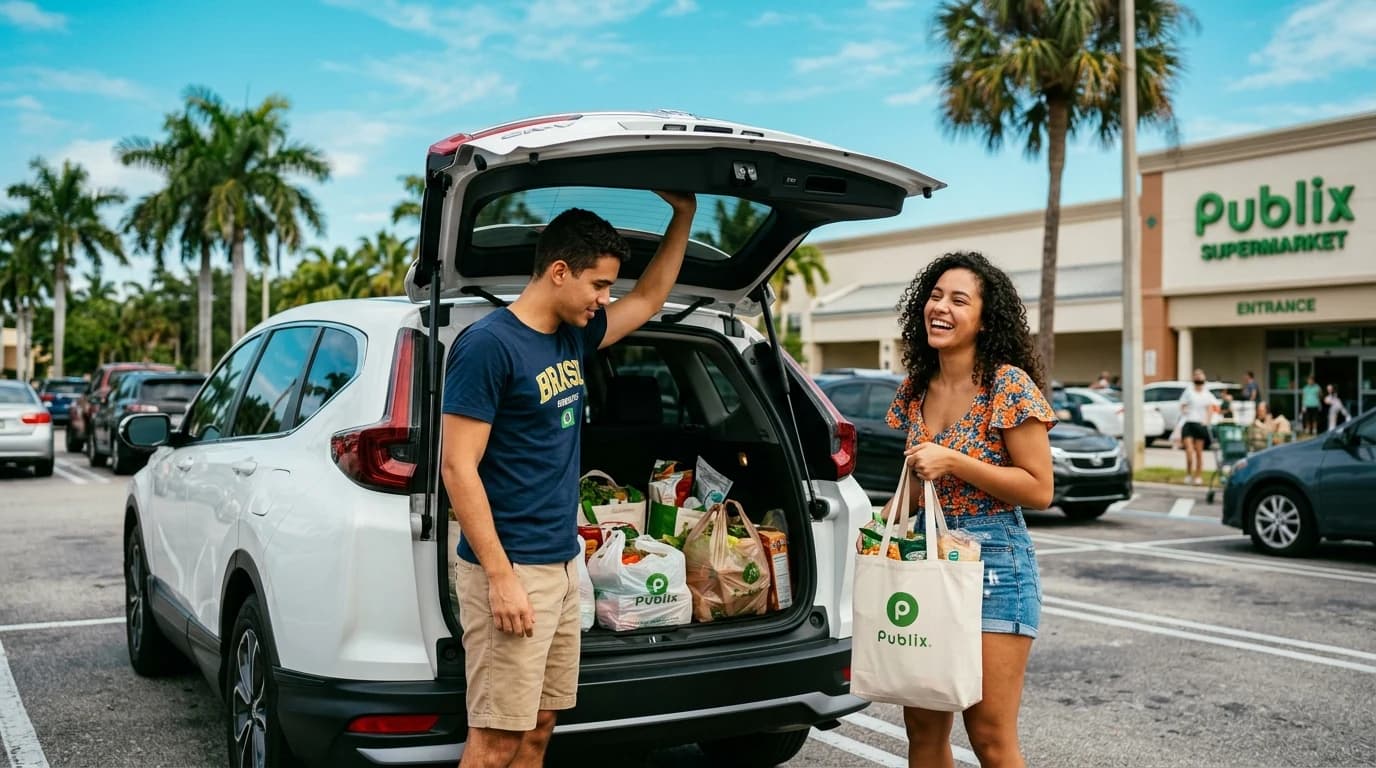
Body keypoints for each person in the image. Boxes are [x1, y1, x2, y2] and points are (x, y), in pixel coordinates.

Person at [440, 193, 696, 768]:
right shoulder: (489, 347)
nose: (606, 299)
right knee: (496, 738)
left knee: (539, 728)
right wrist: (502, 579)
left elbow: (651, 297)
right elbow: (457, 467)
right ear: (559, 272)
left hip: (559, 563)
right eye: (599, 285)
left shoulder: (571, 337)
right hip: (510, 568)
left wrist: (684, 216)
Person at [884, 251, 1054, 768]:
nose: (942, 307)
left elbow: (1039, 488)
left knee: (989, 735)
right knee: (924, 728)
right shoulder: (916, 389)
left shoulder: (1007, 384)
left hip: (996, 564)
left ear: (985, 318)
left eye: (959, 300)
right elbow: (917, 486)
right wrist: (880, 523)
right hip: (928, 558)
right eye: (935, 296)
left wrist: (954, 460)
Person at [1178, 369, 1219, 486]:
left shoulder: (1207, 394)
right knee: (1189, 452)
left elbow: (1211, 409)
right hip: (1189, 423)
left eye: (1200, 377)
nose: (1198, 379)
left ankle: (1198, 476)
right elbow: (1181, 405)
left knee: (1199, 453)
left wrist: (1207, 421)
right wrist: (1184, 410)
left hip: (1200, 425)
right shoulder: (1189, 392)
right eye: (1196, 377)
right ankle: (1188, 474)